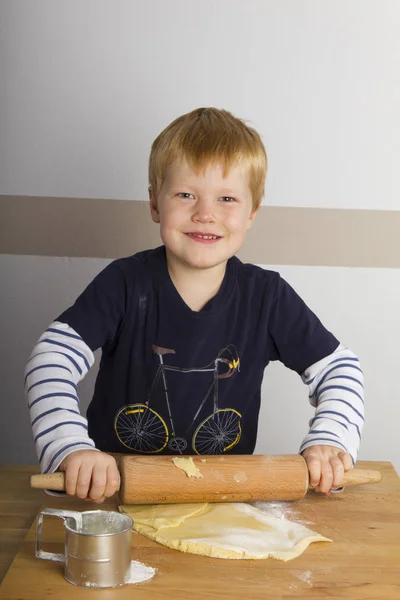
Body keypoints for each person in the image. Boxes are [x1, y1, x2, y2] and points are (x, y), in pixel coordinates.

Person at [25, 107, 364, 504]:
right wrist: (70, 447)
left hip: (220, 500)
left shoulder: (267, 296)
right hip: (112, 497)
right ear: (155, 204)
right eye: (186, 194)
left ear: (252, 212)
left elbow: (339, 368)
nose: (205, 214)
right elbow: (50, 358)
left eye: (227, 198)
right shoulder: (123, 283)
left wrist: (329, 441)